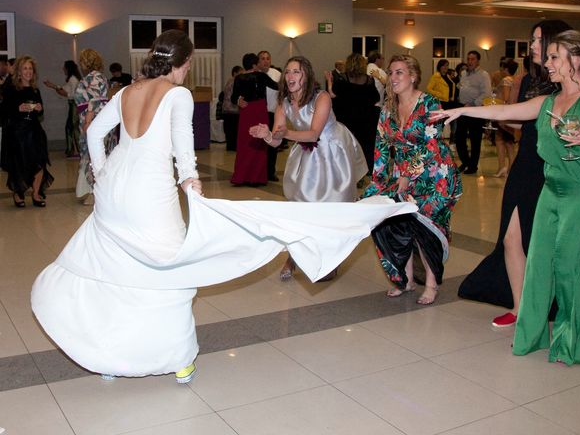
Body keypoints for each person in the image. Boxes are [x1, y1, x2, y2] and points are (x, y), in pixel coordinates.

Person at [31, 31, 416, 382]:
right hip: (149, 194)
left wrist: (102, 176)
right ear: (181, 63)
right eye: (188, 65)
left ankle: (112, 356)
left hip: (114, 192)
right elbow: (184, 150)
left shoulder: (129, 90)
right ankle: (179, 359)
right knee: (174, 275)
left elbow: (95, 132)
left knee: (121, 270)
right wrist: (192, 186)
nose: (186, 72)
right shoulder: (176, 94)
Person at [438, 30, 580, 365]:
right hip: (551, 190)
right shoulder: (547, 102)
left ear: (577, 61)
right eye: (549, 56)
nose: (548, 64)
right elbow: (504, 112)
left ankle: (574, 340)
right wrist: (461, 113)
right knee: (540, 264)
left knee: (570, 265)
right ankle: (533, 332)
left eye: (556, 57)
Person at [249, 55, 368, 281]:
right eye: (288, 72)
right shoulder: (283, 102)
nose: (290, 76)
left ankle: (331, 258)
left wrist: (284, 134)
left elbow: (314, 133)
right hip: (307, 151)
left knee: (332, 208)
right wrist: (267, 135)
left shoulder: (321, 97)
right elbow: (276, 140)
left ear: (306, 76)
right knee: (302, 206)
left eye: (296, 71)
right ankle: (293, 257)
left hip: (332, 150)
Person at [362, 55, 462, 305]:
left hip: (435, 174)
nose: (393, 78)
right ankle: (405, 280)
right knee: (400, 225)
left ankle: (431, 283)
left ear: (413, 76)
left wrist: (407, 174)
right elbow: (382, 148)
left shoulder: (429, 102)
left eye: (399, 73)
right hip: (403, 175)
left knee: (428, 228)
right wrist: (376, 184)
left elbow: (432, 143)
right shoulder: (388, 109)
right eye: (391, 73)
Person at [2, 55, 53, 207]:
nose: (28, 71)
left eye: (30, 68)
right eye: (25, 68)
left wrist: (38, 109)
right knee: (19, 163)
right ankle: (18, 193)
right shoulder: (11, 89)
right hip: (17, 132)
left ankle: (36, 194)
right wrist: (18, 108)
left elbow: (40, 112)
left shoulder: (35, 90)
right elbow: (4, 110)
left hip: (34, 131)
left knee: (39, 162)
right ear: (18, 71)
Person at [74, 49, 117, 205]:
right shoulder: (98, 77)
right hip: (97, 120)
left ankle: (95, 192)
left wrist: (87, 121)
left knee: (94, 156)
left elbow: (94, 100)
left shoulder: (94, 77)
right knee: (96, 155)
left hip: (93, 121)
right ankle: (93, 190)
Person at [230, 52, 279, 185]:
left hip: (246, 112)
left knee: (245, 144)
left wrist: (239, 100)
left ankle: (242, 176)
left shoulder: (239, 78)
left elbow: (233, 97)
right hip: (260, 111)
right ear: (254, 64)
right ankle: (256, 177)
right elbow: (277, 86)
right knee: (259, 143)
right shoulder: (261, 76)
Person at [330, 53, 379, 175]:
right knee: (364, 147)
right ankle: (363, 172)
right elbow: (376, 98)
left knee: (347, 147)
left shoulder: (342, 79)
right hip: (365, 119)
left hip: (346, 119)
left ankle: (347, 172)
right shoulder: (369, 80)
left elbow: (334, 95)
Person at [455, 50, 492, 174]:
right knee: (459, 137)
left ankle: (473, 166)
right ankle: (465, 161)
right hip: (462, 108)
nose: (470, 61)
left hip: (475, 110)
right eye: (468, 59)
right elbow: (462, 86)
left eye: (473, 59)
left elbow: (486, 94)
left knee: (475, 139)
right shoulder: (464, 73)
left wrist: (472, 103)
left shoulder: (483, 75)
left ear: (478, 61)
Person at [44, 60, 81, 158]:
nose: (63, 69)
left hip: (74, 105)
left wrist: (57, 89)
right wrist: (53, 86)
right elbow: (63, 90)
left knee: (72, 127)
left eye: (64, 67)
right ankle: (73, 150)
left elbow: (71, 94)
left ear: (68, 68)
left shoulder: (73, 79)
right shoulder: (72, 79)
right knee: (70, 127)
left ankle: (77, 151)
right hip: (72, 105)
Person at [257, 50, 282, 181]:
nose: (265, 61)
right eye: (262, 58)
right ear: (258, 61)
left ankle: (271, 172)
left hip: (273, 114)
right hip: (258, 114)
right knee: (258, 145)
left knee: (272, 145)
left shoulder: (277, 74)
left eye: (268, 58)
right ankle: (258, 172)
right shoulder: (254, 75)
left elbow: (283, 93)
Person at [493, 58, 519, 178]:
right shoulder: (516, 79)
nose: (501, 70)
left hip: (504, 113)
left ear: (506, 69)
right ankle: (509, 168)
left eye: (502, 68)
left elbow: (506, 98)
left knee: (500, 140)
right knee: (508, 142)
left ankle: (503, 166)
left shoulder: (506, 80)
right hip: (511, 113)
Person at [221, 65, 243, 151]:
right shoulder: (235, 82)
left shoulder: (229, 81)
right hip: (233, 109)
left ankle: (230, 146)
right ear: (235, 73)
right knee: (234, 130)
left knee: (229, 130)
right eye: (240, 73)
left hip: (227, 109)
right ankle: (233, 146)